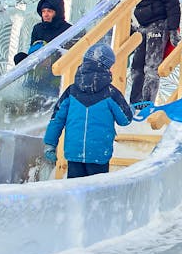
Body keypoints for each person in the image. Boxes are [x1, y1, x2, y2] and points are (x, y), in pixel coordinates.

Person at [43, 43, 132, 179]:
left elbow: (57, 119)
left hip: (74, 152)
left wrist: (50, 144)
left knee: (75, 192)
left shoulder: (71, 91)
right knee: (96, 193)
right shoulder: (111, 92)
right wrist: (129, 108)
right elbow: (125, 120)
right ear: (106, 67)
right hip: (98, 153)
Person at [118, 0, 181, 104]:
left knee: (151, 67)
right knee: (136, 66)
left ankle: (146, 102)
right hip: (143, 26)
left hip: (159, 25)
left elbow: (172, 2)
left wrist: (173, 29)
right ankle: (135, 102)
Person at [13, 0, 71, 65]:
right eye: (43, 11)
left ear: (57, 13)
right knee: (19, 57)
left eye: (49, 11)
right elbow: (34, 49)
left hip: (60, 66)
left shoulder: (68, 29)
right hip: (39, 65)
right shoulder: (38, 28)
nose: (45, 15)